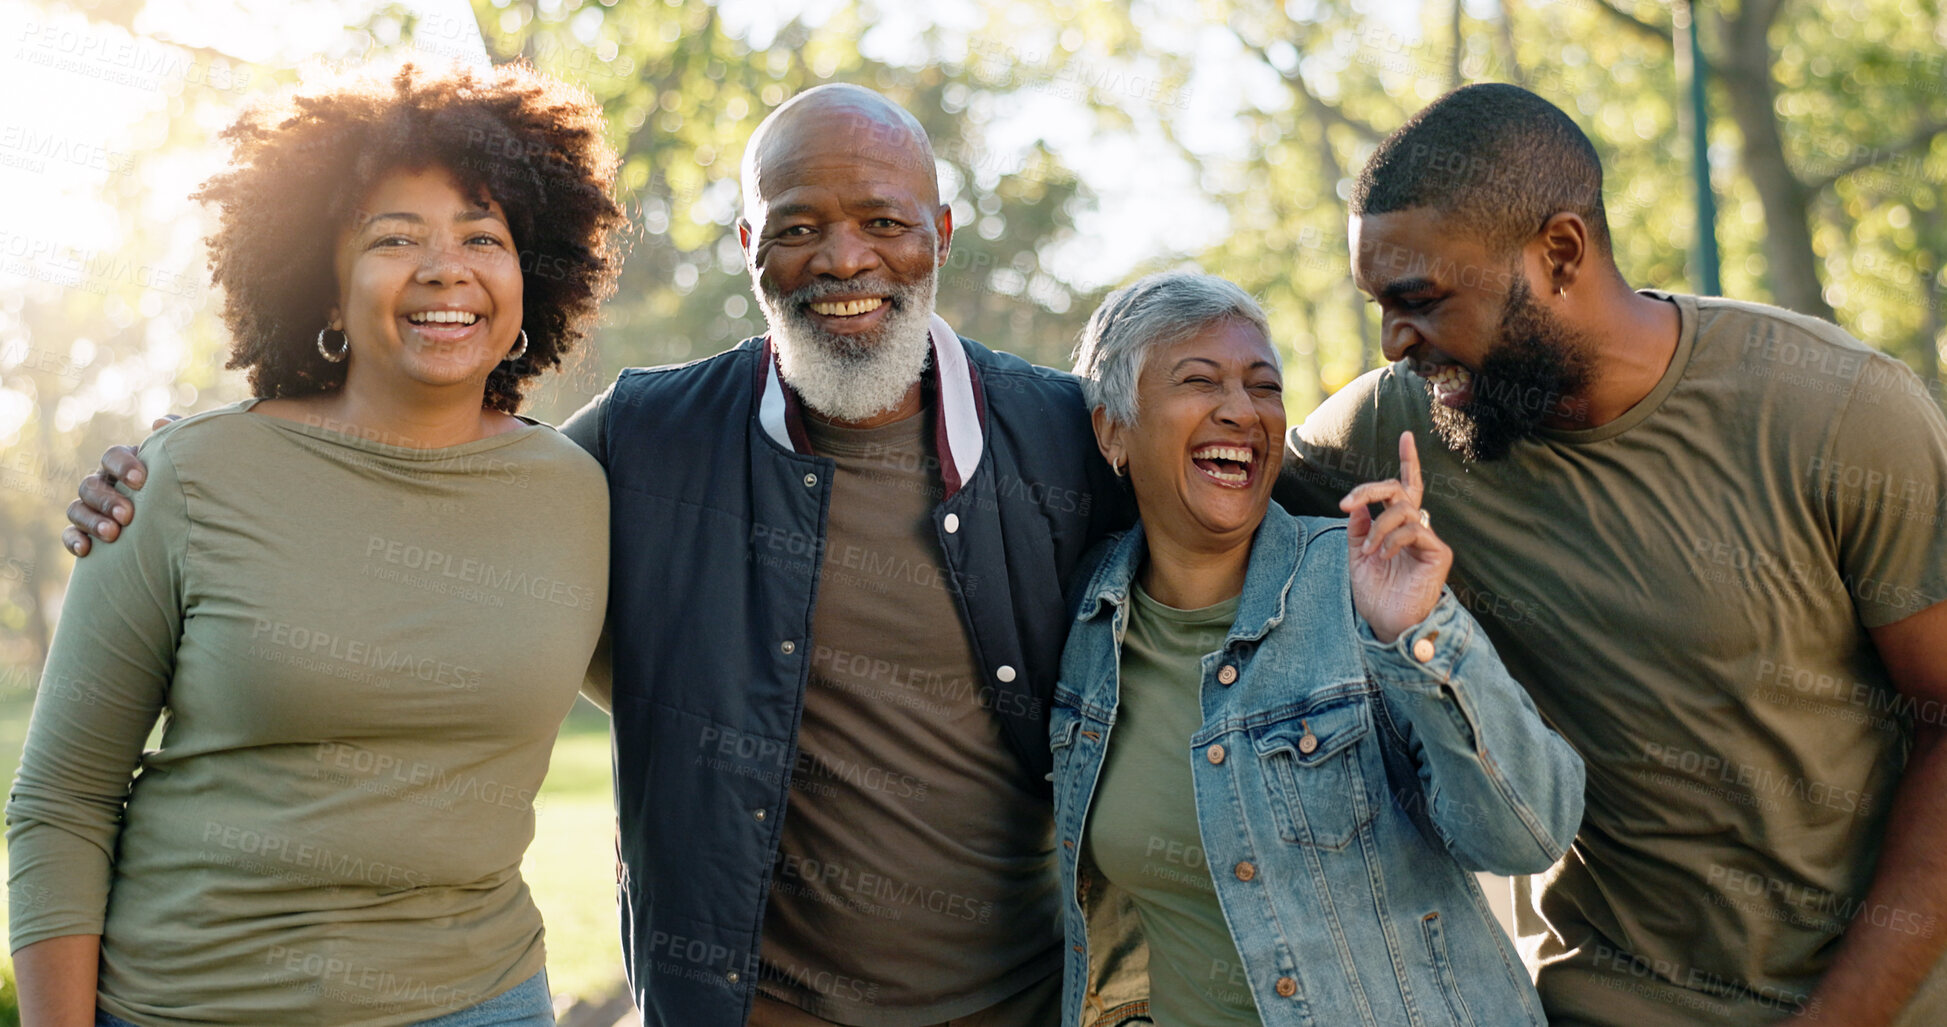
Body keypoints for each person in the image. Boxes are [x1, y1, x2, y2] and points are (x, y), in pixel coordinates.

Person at [63, 83, 1129, 1026]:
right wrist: (192, 461)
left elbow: (1245, 520)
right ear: (748, 245)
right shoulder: (643, 436)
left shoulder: (1064, 437)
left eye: (884, 222)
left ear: (939, 229)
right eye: (798, 225)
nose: (844, 258)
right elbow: (420, 495)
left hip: (1015, 998)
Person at [1273, 83, 1947, 1026]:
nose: (1393, 340)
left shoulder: (1837, 411)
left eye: (1420, 300)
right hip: (1603, 999)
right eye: (1380, 303)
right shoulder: (1394, 428)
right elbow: (1194, 487)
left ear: (1558, 253)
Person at [11, 62, 624, 1027]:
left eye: (482, 236)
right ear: (325, 290)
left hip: (481, 1000)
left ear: (530, 279)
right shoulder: (182, 478)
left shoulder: (579, 492)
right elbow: (63, 798)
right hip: (192, 1005)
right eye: (394, 238)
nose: (444, 267)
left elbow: (695, 695)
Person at [1054, 271, 1582, 1026]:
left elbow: (1529, 831)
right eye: (1199, 380)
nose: (1240, 410)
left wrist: (1419, 635)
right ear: (1112, 429)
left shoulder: (1359, 580)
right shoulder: (1081, 624)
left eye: (1263, 386)